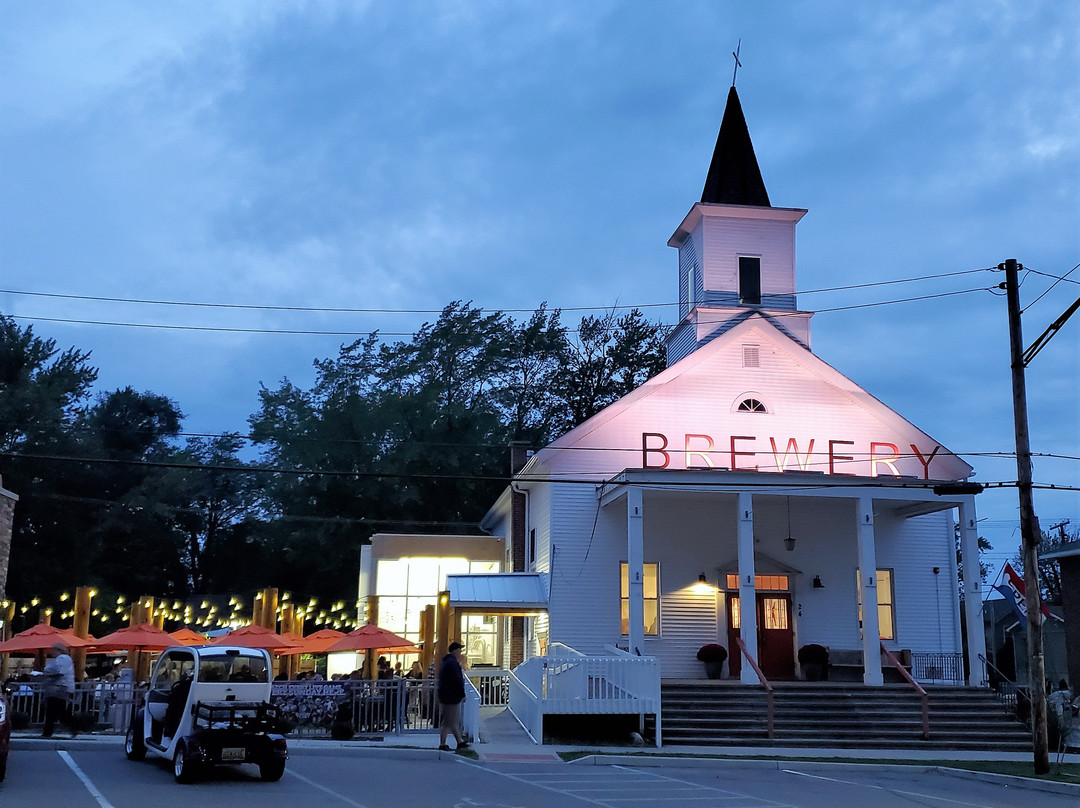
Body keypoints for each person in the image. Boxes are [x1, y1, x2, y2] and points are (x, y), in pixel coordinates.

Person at [41, 641, 77, 738]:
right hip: (58, 688)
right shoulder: (62, 659)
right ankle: (48, 731)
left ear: (58, 650)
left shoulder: (63, 659)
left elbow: (59, 671)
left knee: (55, 711)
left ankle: (49, 732)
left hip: (59, 688)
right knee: (55, 711)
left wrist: (44, 674)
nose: (51, 651)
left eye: (53, 649)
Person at [437, 641, 468, 751]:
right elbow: (457, 680)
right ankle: (442, 744)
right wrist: (462, 694)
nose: (461, 652)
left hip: (446, 695)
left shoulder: (447, 662)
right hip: (451, 696)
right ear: (455, 650)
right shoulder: (453, 664)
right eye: (459, 649)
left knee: (452, 720)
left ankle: (460, 742)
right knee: (448, 721)